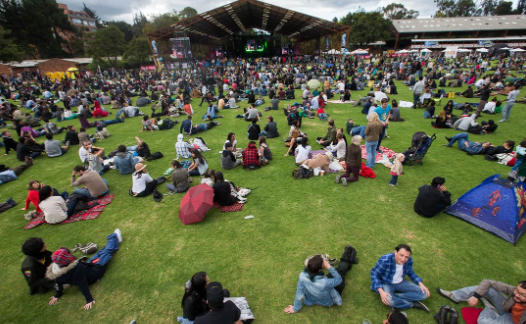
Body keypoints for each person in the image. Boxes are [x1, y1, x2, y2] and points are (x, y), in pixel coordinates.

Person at [46, 229, 123, 311]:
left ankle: (114, 241)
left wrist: (58, 294)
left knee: (100, 253)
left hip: (89, 266)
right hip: (95, 272)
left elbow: (58, 283)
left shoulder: (56, 271)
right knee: (106, 252)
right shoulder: (76, 269)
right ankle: (114, 237)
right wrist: (89, 299)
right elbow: (82, 284)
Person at [283, 245, 358, 314]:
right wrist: (329, 267)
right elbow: (338, 280)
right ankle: (348, 253)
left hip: (314, 297)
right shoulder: (325, 282)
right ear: (320, 269)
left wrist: (295, 308)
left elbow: (299, 294)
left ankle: (350, 261)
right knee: (341, 269)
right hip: (328, 300)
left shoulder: (302, 276)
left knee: (341, 270)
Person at [370, 244, 430, 312]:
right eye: (401, 255)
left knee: (425, 293)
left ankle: (395, 297)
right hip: (386, 282)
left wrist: (421, 283)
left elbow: (410, 272)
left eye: (406, 257)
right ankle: (412, 304)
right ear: (395, 252)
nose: (403, 259)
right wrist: (381, 291)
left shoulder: (409, 260)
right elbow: (374, 274)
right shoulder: (385, 260)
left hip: (400, 282)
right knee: (389, 301)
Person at [437, 279, 526, 324]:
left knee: (482, 321)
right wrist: (476, 296)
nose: (517, 295)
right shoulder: (515, 292)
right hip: (507, 309)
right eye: (517, 291)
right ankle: (455, 295)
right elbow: (488, 282)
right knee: (490, 289)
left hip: (514, 321)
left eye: (522, 295)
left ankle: (491, 309)